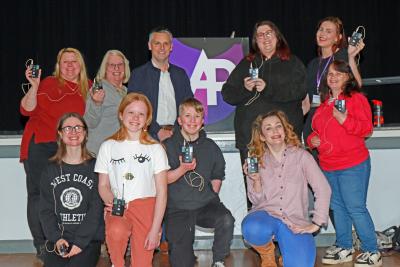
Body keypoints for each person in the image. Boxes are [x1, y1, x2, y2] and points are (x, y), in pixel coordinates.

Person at [221, 20, 306, 213]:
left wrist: (269, 88)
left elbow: (299, 91)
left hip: (283, 141)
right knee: (255, 188)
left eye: (269, 33)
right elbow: (227, 93)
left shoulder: (292, 62)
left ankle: (290, 232)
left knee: (287, 189)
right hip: (251, 142)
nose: (265, 38)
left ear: (278, 36)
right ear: (255, 41)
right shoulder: (247, 63)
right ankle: (261, 238)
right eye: (260, 35)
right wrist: (244, 88)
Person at [307, 60, 382, 266]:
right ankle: (344, 246)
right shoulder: (324, 104)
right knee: (338, 208)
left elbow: (366, 129)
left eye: (338, 73)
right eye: (330, 73)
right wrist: (311, 140)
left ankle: (371, 251)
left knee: (355, 207)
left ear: (348, 77)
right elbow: (317, 131)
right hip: (329, 166)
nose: (332, 76)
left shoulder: (356, 99)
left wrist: (345, 119)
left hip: (353, 165)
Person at [20, 47, 90, 260]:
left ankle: (67, 241)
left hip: (69, 147)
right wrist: (33, 86)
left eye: (74, 61)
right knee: (39, 197)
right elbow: (26, 110)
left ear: (81, 66)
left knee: (66, 196)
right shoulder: (48, 83)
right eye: (65, 62)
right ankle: (42, 245)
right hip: (41, 144)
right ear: (59, 66)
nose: (70, 66)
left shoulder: (88, 88)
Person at [241, 110, 331, 267]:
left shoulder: (302, 156)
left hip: (294, 222)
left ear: (285, 130)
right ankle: (267, 255)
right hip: (266, 216)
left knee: (301, 264)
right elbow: (255, 200)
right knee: (252, 227)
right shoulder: (256, 161)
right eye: (268, 128)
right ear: (262, 136)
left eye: (278, 126)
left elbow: (323, 189)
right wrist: (255, 180)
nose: (275, 131)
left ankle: (287, 254)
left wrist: (316, 223)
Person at [96, 93, 169, 267]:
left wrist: (155, 228)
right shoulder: (108, 146)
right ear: (121, 114)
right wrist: (111, 202)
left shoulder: (156, 149)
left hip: (146, 208)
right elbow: (103, 185)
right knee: (115, 230)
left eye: (141, 114)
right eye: (131, 112)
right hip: (119, 206)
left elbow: (162, 192)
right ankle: (117, 264)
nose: (135, 118)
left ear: (147, 119)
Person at [163, 98, 235, 267]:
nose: (192, 120)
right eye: (187, 116)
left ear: (203, 121)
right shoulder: (167, 146)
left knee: (226, 219)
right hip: (177, 208)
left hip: (204, 206)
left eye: (197, 116)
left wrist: (211, 196)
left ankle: (218, 261)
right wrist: (182, 169)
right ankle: (185, 254)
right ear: (179, 120)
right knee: (181, 262)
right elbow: (162, 179)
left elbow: (218, 173)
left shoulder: (210, 146)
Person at [39, 112, 104, 267]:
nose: (73, 132)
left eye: (78, 128)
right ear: (60, 134)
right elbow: (45, 211)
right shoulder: (49, 170)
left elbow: (96, 210)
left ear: (85, 133)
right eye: (67, 128)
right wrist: (56, 238)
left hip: (88, 240)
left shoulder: (97, 167)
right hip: (59, 238)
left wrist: (80, 243)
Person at [303, 16, 365, 147]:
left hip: (335, 121)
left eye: (328, 31)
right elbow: (307, 101)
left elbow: (357, 85)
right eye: (321, 29)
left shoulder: (343, 56)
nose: (322, 33)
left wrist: (351, 57)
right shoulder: (313, 64)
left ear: (338, 38)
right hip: (314, 126)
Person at [128, 26, 193, 141]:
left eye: (166, 44)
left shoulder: (180, 74)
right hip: (147, 137)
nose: (162, 48)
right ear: (149, 46)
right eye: (157, 43)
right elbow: (132, 108)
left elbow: (189, 106)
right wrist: (157, 131)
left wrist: (177, 130)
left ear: (171, 47)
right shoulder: (138, 75)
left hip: (177, 136)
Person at [84, 49, 130, 155]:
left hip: (119, 152)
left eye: (120, 64)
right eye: (111, 65)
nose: (116, 68)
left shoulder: (127, 91)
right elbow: (89, 123)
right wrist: (96, 103)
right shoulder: (98, 89)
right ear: (105, 68)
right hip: (98, 153)